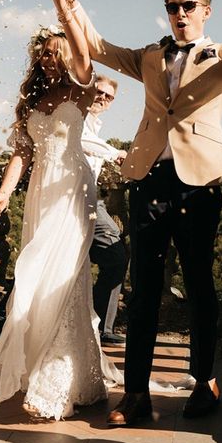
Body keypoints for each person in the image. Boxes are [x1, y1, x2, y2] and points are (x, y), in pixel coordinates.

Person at [55, 0, 222, 426]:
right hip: (149, 181)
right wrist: (70, 3)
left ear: (205, 11)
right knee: (144, 290)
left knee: (200, 286)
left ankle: (204, 381)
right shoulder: (151, 56)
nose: (180, 14)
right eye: (173, 7)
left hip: (199, 185)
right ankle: (135, 394)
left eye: (188, 6)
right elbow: (98, 47)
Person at [0, 0, 120, 420]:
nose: (47, 60)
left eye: (52, 52)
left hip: (71, 189)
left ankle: (55, 385)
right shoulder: (31, 100)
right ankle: (65, 372)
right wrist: (3, 194)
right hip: (40, 192)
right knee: (40, 278)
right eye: (41, 54)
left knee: (57, 271)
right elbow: (21, 154)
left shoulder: (79, 87)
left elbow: (83, 53)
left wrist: (64, 3)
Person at [84, 76, 129, 346]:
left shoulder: (94, 125)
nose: (101, 98)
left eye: (108, 96)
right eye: (98, 92)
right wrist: (116, 152)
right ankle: (1, 321)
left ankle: (101, 325)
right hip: (73, 202)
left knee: (116, 255)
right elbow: (80, 141)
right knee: (48, 260)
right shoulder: (76, 116)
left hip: (90, 202)